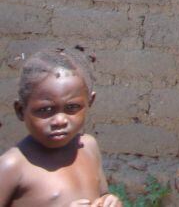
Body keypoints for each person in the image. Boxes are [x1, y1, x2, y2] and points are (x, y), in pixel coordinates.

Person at [0, 50, 120, 207]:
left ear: (90, 102)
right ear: (21, 110)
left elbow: (102, 193)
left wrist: (109, 200)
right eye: (45, 110)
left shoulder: (88, 147)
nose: (60, 121)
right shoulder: (12, 166)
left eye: (72, 107)